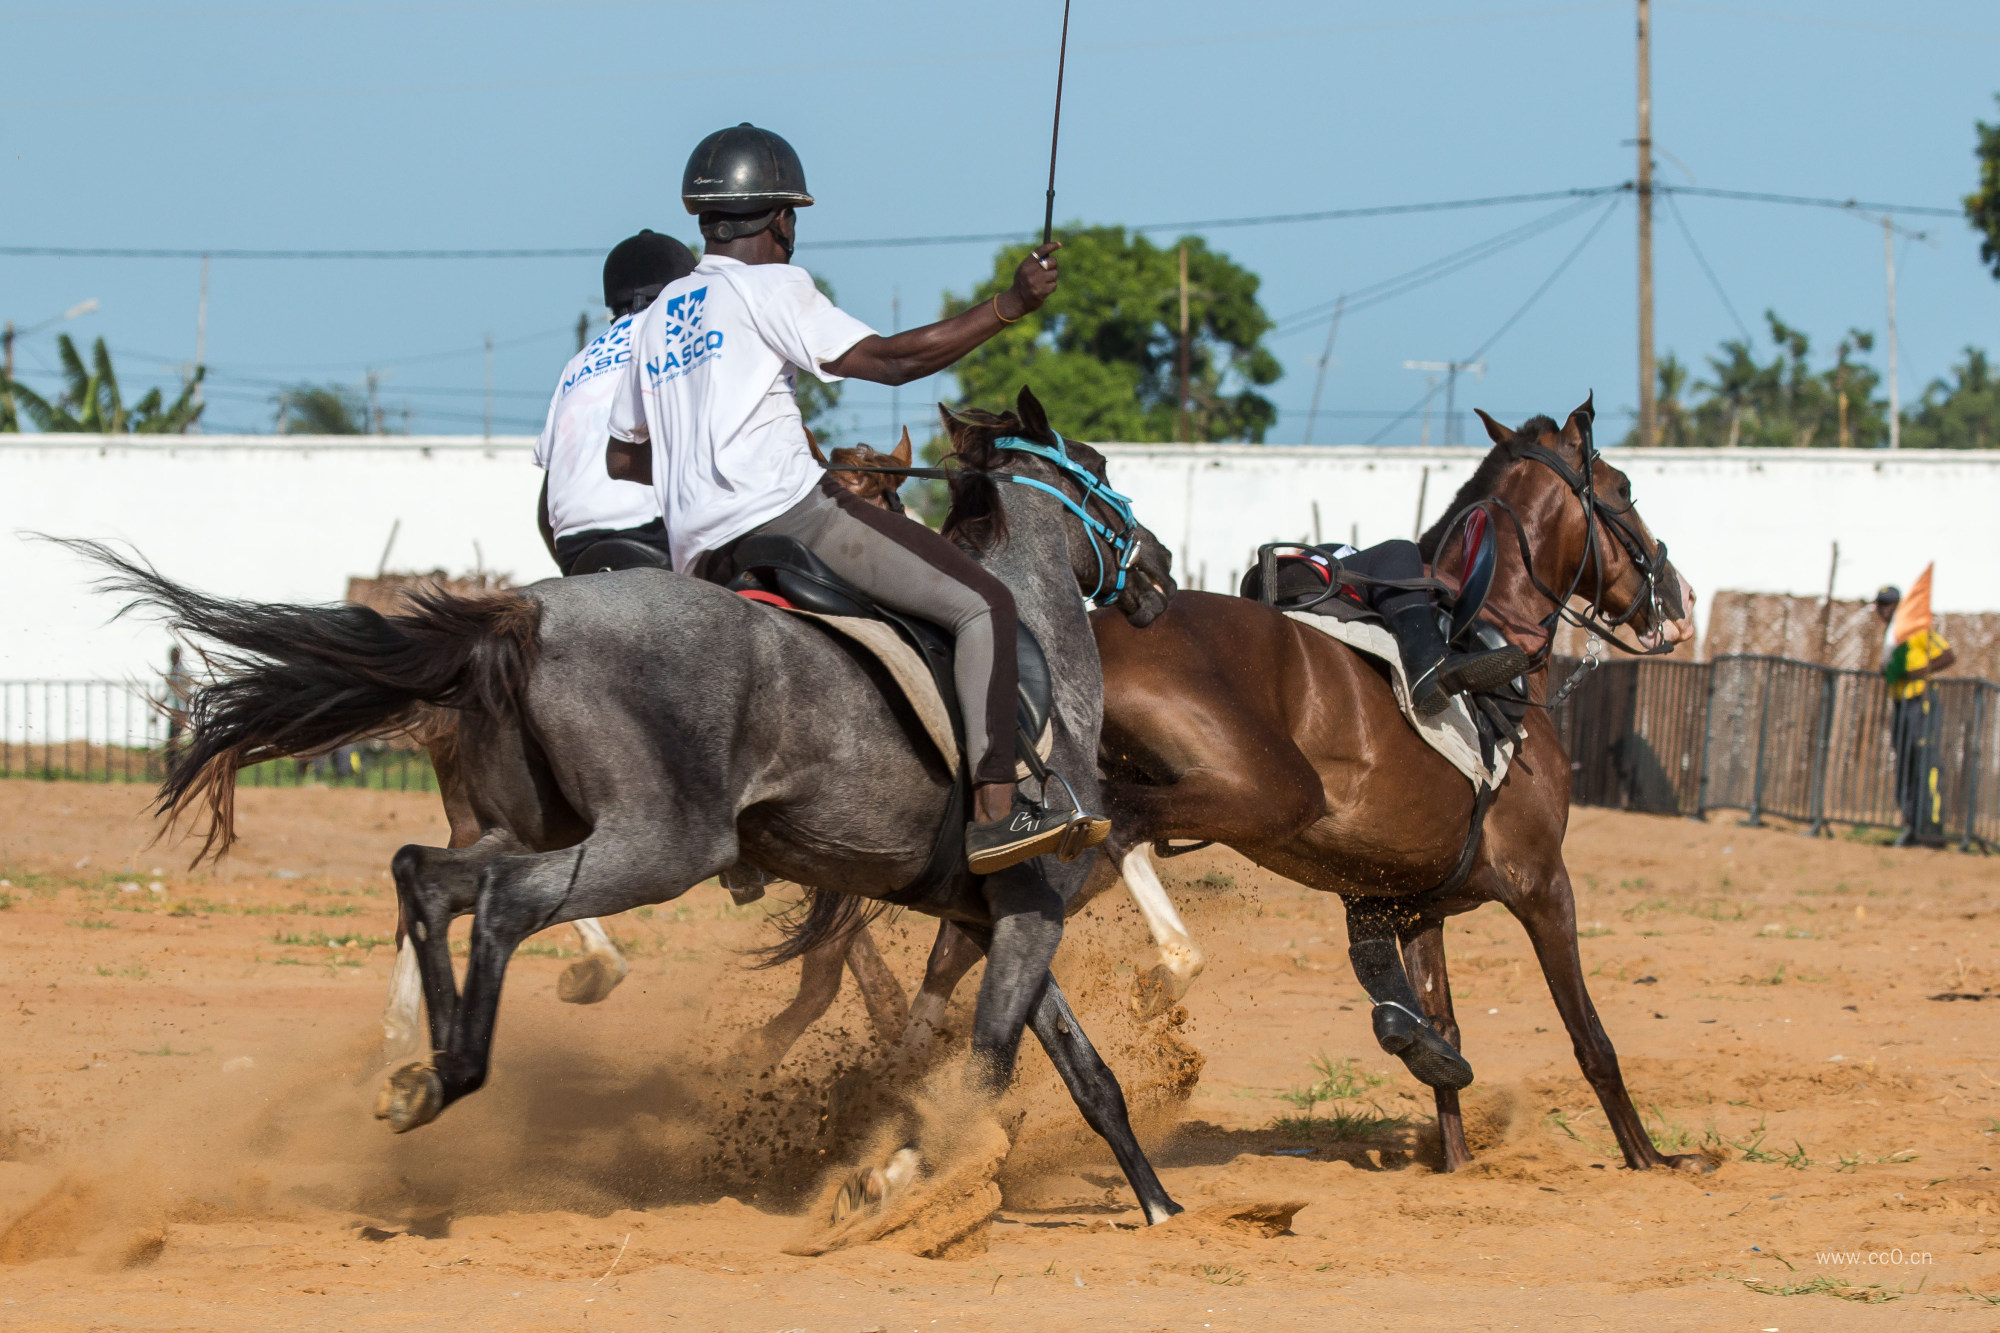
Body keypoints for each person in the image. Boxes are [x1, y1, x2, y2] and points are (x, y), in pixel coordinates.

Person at [605, 123, 1094, 875]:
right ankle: (999, 814)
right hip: (791, 520)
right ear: (782, 219)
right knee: (985, 605)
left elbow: (622, 453)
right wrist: (1008, 305)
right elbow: (893, 362)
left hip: (698, 559)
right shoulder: (773, 285)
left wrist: (700, 467)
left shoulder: (660, 314)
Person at [534, 229, 698, 575]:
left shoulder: (576, 365)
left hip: (574, 548)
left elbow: (544, 512)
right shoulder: (677, 338)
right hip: (652, 532)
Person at [1244, 537, 1528, 715]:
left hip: (1275, 584)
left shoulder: (1349, 559)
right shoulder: (1355, 558)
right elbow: (1401, 577)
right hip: (1299, 582)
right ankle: (1428, 665)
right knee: (1400, 551)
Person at [1876, 583, 1956, 847]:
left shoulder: (1918, 630)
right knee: (1905, 767)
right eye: (1881, 604)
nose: (1884, 609)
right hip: (1900, 704)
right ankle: (1912, 825)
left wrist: (1919, 671)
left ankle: (1932, 830)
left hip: (1920, 703)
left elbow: (1948, 655)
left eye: (1889, 604)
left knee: (1926, 765)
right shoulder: (1892, 636)